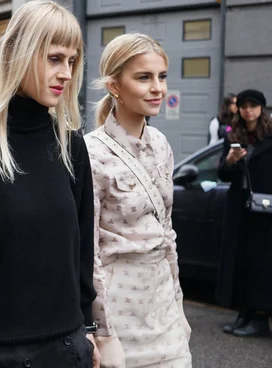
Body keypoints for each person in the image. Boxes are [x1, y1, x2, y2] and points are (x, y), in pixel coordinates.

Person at [0, 0, 99, 367]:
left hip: (68, 345)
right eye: (54, 58)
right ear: (20, 55)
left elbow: (81, 250)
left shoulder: (70, 144)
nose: (66, 73)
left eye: (72, 61)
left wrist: (89, 329)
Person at [85, 33, 192, 367]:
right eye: (144, 77)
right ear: (114, 86)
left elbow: (168, 232)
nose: (158, 87)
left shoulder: (161, 143)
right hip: (119, 308)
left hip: (163, 302)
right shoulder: (91, 152)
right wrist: (102, 332)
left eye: (161, 76)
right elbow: (88, 252)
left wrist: (179, 302)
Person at [216, 89, 272, 337]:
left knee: (261, 263)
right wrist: (229, 161)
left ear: (262, 108)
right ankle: (244, 313)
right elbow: (222, 175)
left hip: (266, 210)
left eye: (254, 106)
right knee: (240, 260)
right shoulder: (233, 135)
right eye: (244, 106)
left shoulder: (270, 136)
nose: (248, 110)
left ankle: (259, 317)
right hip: (240, 207)